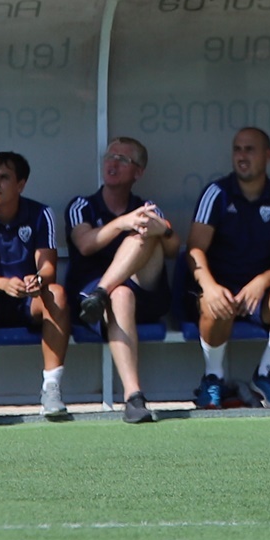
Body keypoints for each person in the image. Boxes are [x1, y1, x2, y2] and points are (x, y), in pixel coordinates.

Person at [186, 127, 270, 409]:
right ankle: (213, 377)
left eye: (249, 150)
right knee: (214, 303)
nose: (242, 156)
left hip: (258, 294)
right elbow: (194, 250)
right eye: (237, 149)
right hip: (218, 287)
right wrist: (210, 286)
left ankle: (264, 374)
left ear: (268, 155)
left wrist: (261, 282)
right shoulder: (216, 193)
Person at [65, 137, 181, 423]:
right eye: (110, 156)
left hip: (145, 294)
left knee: (147, 230)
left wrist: (161, 230)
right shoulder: (82, 205)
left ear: (137, 172)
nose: (112, 163)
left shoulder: (146, 208)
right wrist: (122, 222)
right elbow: (86, 244)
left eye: (123, 159)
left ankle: (103, 292)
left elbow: (173, 248)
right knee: (120, 295)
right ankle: (134, 396)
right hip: (90, 301)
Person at [0, 152, 70, 421]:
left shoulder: (41, 214)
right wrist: (4, 284)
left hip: (27, 300)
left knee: (57, 293)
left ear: (21, 184)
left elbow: (48, 268)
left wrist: (38, 281)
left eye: (4, 178)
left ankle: (51, 388)